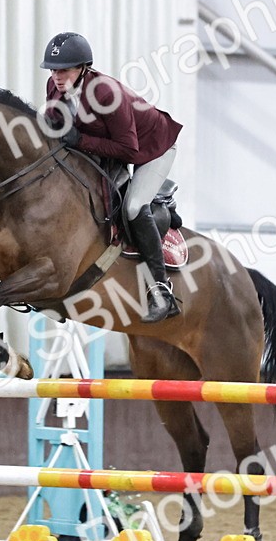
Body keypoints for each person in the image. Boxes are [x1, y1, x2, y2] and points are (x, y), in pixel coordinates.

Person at [41, 31, 184, 323]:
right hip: (110, 147)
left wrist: (79, 140)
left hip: (152, 148)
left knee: (132, 207)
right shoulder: (54, 88)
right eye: (54, 70)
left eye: (64, 70)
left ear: (83, 68)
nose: (57, 76)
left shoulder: (107, 93)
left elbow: (128, 150)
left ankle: (160, 291)